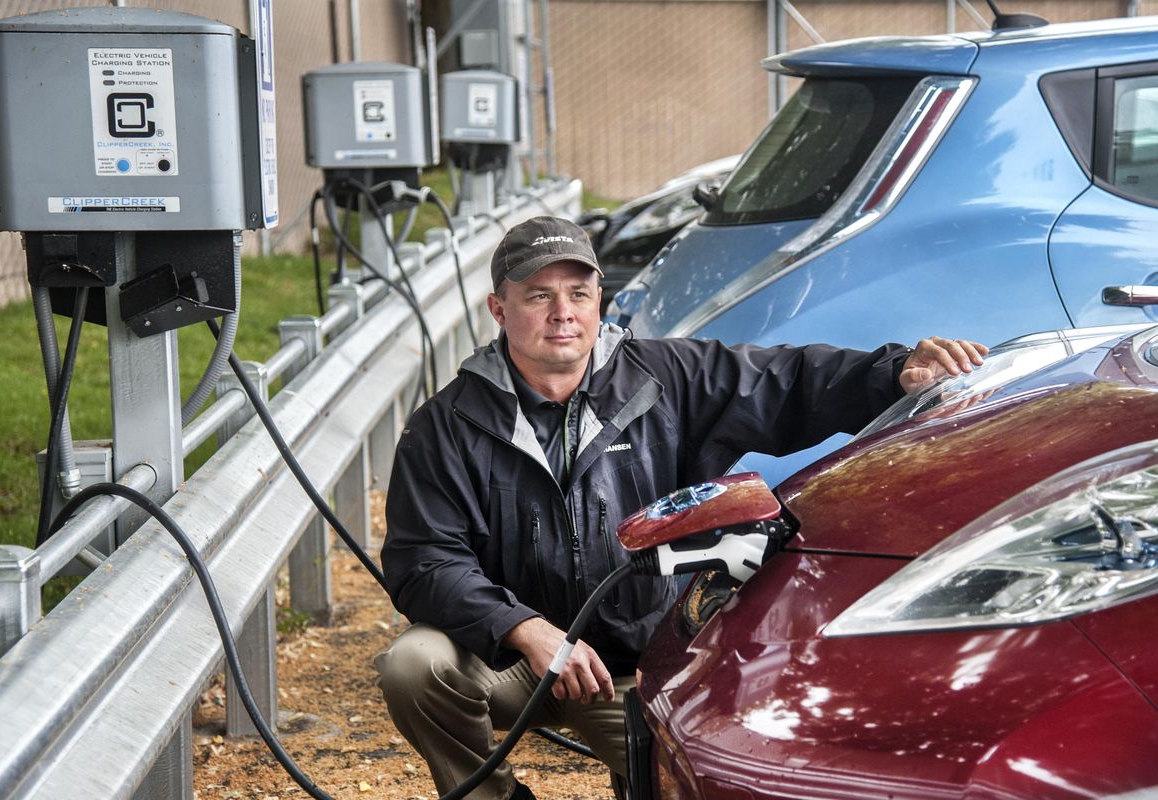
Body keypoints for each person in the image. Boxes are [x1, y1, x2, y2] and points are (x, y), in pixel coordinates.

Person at [375, 216, 987, 800]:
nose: (563, 313)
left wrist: (893, 374)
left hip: (637, 673)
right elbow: (422, 560)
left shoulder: (663, 377)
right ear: (498, 309)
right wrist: (523, 629)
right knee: (414, 664)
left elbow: (787, 382)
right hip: (514, 662)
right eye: (538, 296)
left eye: (578, 293)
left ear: (599, 301)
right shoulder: (448, 424)